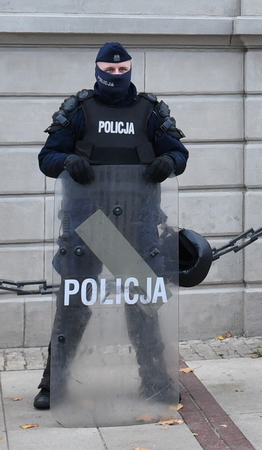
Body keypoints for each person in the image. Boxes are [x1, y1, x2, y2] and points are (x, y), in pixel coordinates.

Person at [33, 42, 189, 411]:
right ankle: (52, 384)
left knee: (142, 305)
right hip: (90, 222)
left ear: (130, 71)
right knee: (73, 304)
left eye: (122, 71)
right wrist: (68, 161)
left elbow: (179, 154)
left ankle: (154, 380)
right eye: (109, 71)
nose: (115, 77)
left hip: (137, 221)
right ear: (97, 70)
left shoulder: (150, 111)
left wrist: (168, 161)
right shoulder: (79, 110)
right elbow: (47, 158)